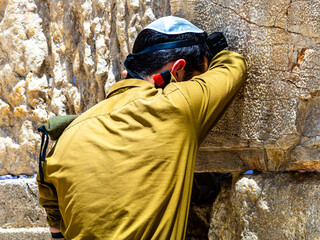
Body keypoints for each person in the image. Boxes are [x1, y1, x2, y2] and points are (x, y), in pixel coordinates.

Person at [37, 16, 247, 240]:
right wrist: (213, 49)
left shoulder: (67, 135)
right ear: (177, 71)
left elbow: (55, 227)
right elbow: (233, 65)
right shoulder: (176, 106)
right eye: (198, 80)